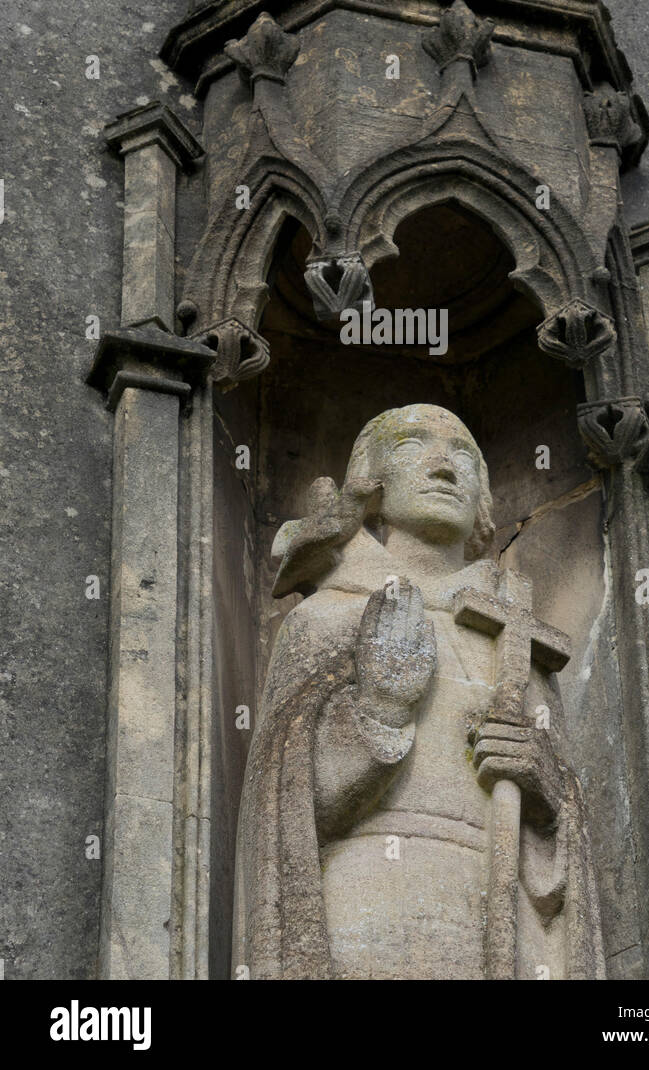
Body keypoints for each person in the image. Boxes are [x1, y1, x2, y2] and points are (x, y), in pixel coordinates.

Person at [232, 404, 604, 979]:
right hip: (368, 905)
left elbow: (560, 828)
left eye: (462, 454)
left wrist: (545, 786)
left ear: (482, 493)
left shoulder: (518, 643)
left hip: (502, 913)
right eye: (411, 446)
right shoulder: (328, 616)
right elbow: (282, 795)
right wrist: (376, 713)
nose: (443, 466)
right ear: (372, 487)